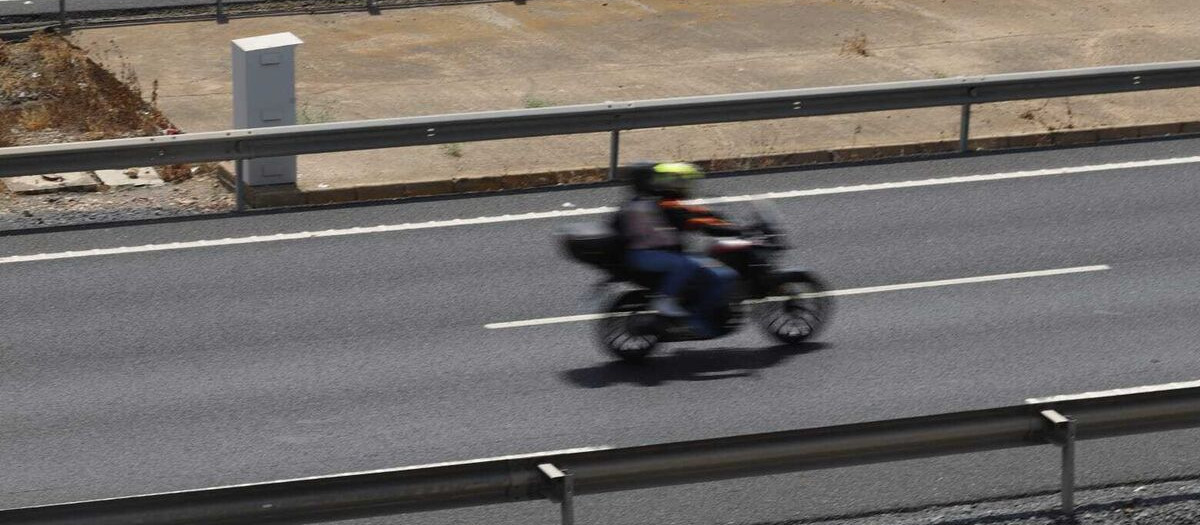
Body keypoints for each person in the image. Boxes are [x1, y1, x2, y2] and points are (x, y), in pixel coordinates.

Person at [616, 161, 740, 337]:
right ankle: (687, 315)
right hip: (645, 255)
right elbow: (688, 218)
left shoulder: (634, 203)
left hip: (646, 254)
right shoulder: (651, 204)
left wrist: (712, 217)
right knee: (702, 270)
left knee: (695, 265)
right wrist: (726, 227)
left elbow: (689, 213)